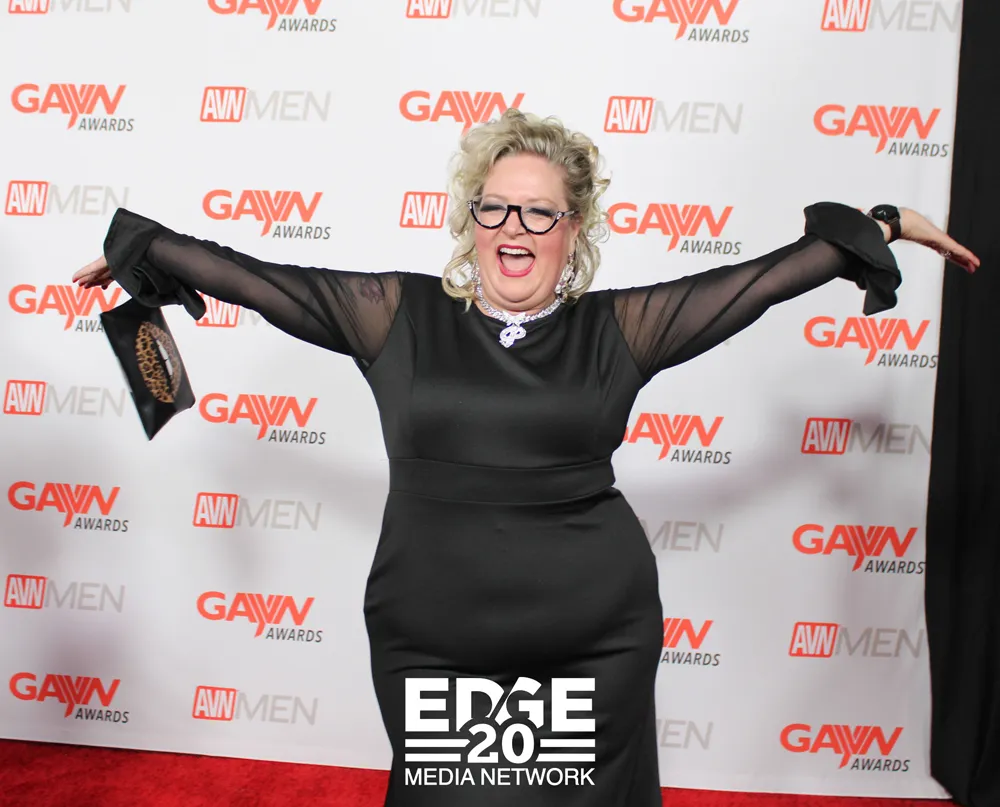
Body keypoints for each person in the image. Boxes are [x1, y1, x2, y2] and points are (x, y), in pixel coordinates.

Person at [73, 109, 979, 807]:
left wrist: (885, 223)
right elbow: (259, 280)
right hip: (437, 640)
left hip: (592, 637)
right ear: (471, 220)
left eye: (540, 210)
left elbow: (760, 282)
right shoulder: (397, 315)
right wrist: (146, 251)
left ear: (573, 227)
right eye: (496, 206)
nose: (516, 226)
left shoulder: (618, 330)